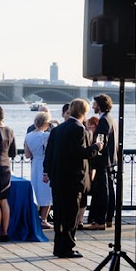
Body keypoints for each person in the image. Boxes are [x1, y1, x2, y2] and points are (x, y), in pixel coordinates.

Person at [45, 99, 91, 258]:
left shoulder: (58, 129)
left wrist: (47, 172)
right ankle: (68, 247)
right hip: (73, 179)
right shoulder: (79, 129)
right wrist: (96, 148)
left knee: (59, 215)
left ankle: (58, 246)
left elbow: (49, 153)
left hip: (58, 179)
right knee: (71, 215)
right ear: (84, 112)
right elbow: (80, 153)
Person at [86, 93, 117, 229]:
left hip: (103, 160)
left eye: (94, 104)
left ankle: (99, 221)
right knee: (109, 188)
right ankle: (109, 218)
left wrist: (94, 154)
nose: (93, 106)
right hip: (111, 159)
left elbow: (101, 141)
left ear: (99, 105)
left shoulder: (103, 120)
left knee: (102, 190)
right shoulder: (111, 119)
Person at [0, 103, 16, 244]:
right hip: (7, 167)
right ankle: (5, 232)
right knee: (4, 201)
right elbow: (12, 152)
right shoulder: (10, 131)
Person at [25, 110, 53, 225]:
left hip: (35, 163)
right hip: (44, 163)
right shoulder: (47, 135)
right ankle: (43, 219)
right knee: (46, 192)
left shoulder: (28, 136)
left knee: (36, 190)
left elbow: (27, 155)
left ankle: (35, 217)